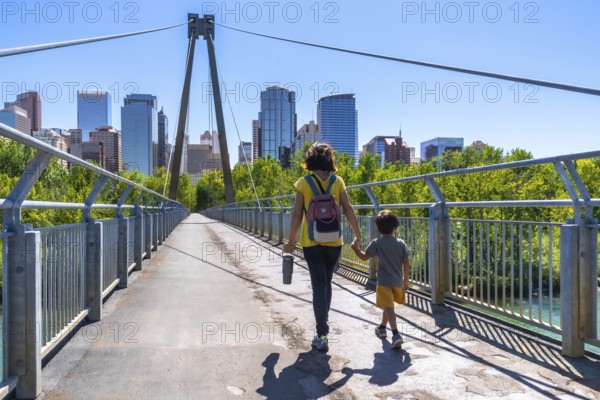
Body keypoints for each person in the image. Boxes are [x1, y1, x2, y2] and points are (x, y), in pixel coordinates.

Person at [283, 142, 362, 352]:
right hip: (334, 242)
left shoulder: (303, 183)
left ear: (309, 160)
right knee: (326, 284)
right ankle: (322, 330)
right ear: (330, 160)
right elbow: (347, 209)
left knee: (319, 286)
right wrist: (358, 234)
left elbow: (297, 215)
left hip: (312, 242)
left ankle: (322, 334)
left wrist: (291, 242)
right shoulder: (338, 181)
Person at [350, 209, 410, 349]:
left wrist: (354, 248)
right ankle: (382, 328)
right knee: (389, 305)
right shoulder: (401, 243)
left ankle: (396, 334)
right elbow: (406, 262)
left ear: (378, 228)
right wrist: (406, 279)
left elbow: (364, 257)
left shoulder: (377, 243)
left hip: (383, 282)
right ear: (395, 227)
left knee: (389, 307)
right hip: (397, 281)